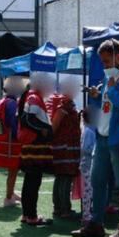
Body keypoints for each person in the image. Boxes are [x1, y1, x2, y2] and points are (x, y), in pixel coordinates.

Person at [71, 39, 119, 237]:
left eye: (107, 61)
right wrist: (97, 95)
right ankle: (96, 223)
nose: (104, 65)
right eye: (102, 62)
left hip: (118, 138)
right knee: (97, 180)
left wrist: (112, 89)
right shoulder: (110, 76)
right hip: (102, 135)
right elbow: (106, 105)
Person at [17, 72, 53, 226]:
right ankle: (31, 215)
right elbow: (28, 119)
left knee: (30, 181)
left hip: (30, 145)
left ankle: (27, 214)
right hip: (35, 146)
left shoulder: (29, 96)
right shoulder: (34, 97)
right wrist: (43, 129)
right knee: (33, 181)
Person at [48, 81, 80, 220]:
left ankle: (59, 208)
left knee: (61, 177)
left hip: (66, 147)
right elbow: (54, 127)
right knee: (65, 178)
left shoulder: (67, 106)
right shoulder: (63, 107)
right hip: (64, 148)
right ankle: (64, 209)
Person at [0, 76, 25, 207]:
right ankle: (8, 197)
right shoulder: (11, 103)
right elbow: (13, 122)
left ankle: (10, 193)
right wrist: (20, 136)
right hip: (12, 141)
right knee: (13, 170)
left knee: (13, 170)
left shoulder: (3, 101)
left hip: (5, 140)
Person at [78, 108, 97, 229]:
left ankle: (88, 213)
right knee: (88, 191)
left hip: (88, 164)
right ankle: (86, 216)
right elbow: (85, 149)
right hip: (87, 165)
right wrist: (95, 150)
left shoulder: (88, 129)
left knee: (90, 190)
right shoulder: (89, 131)